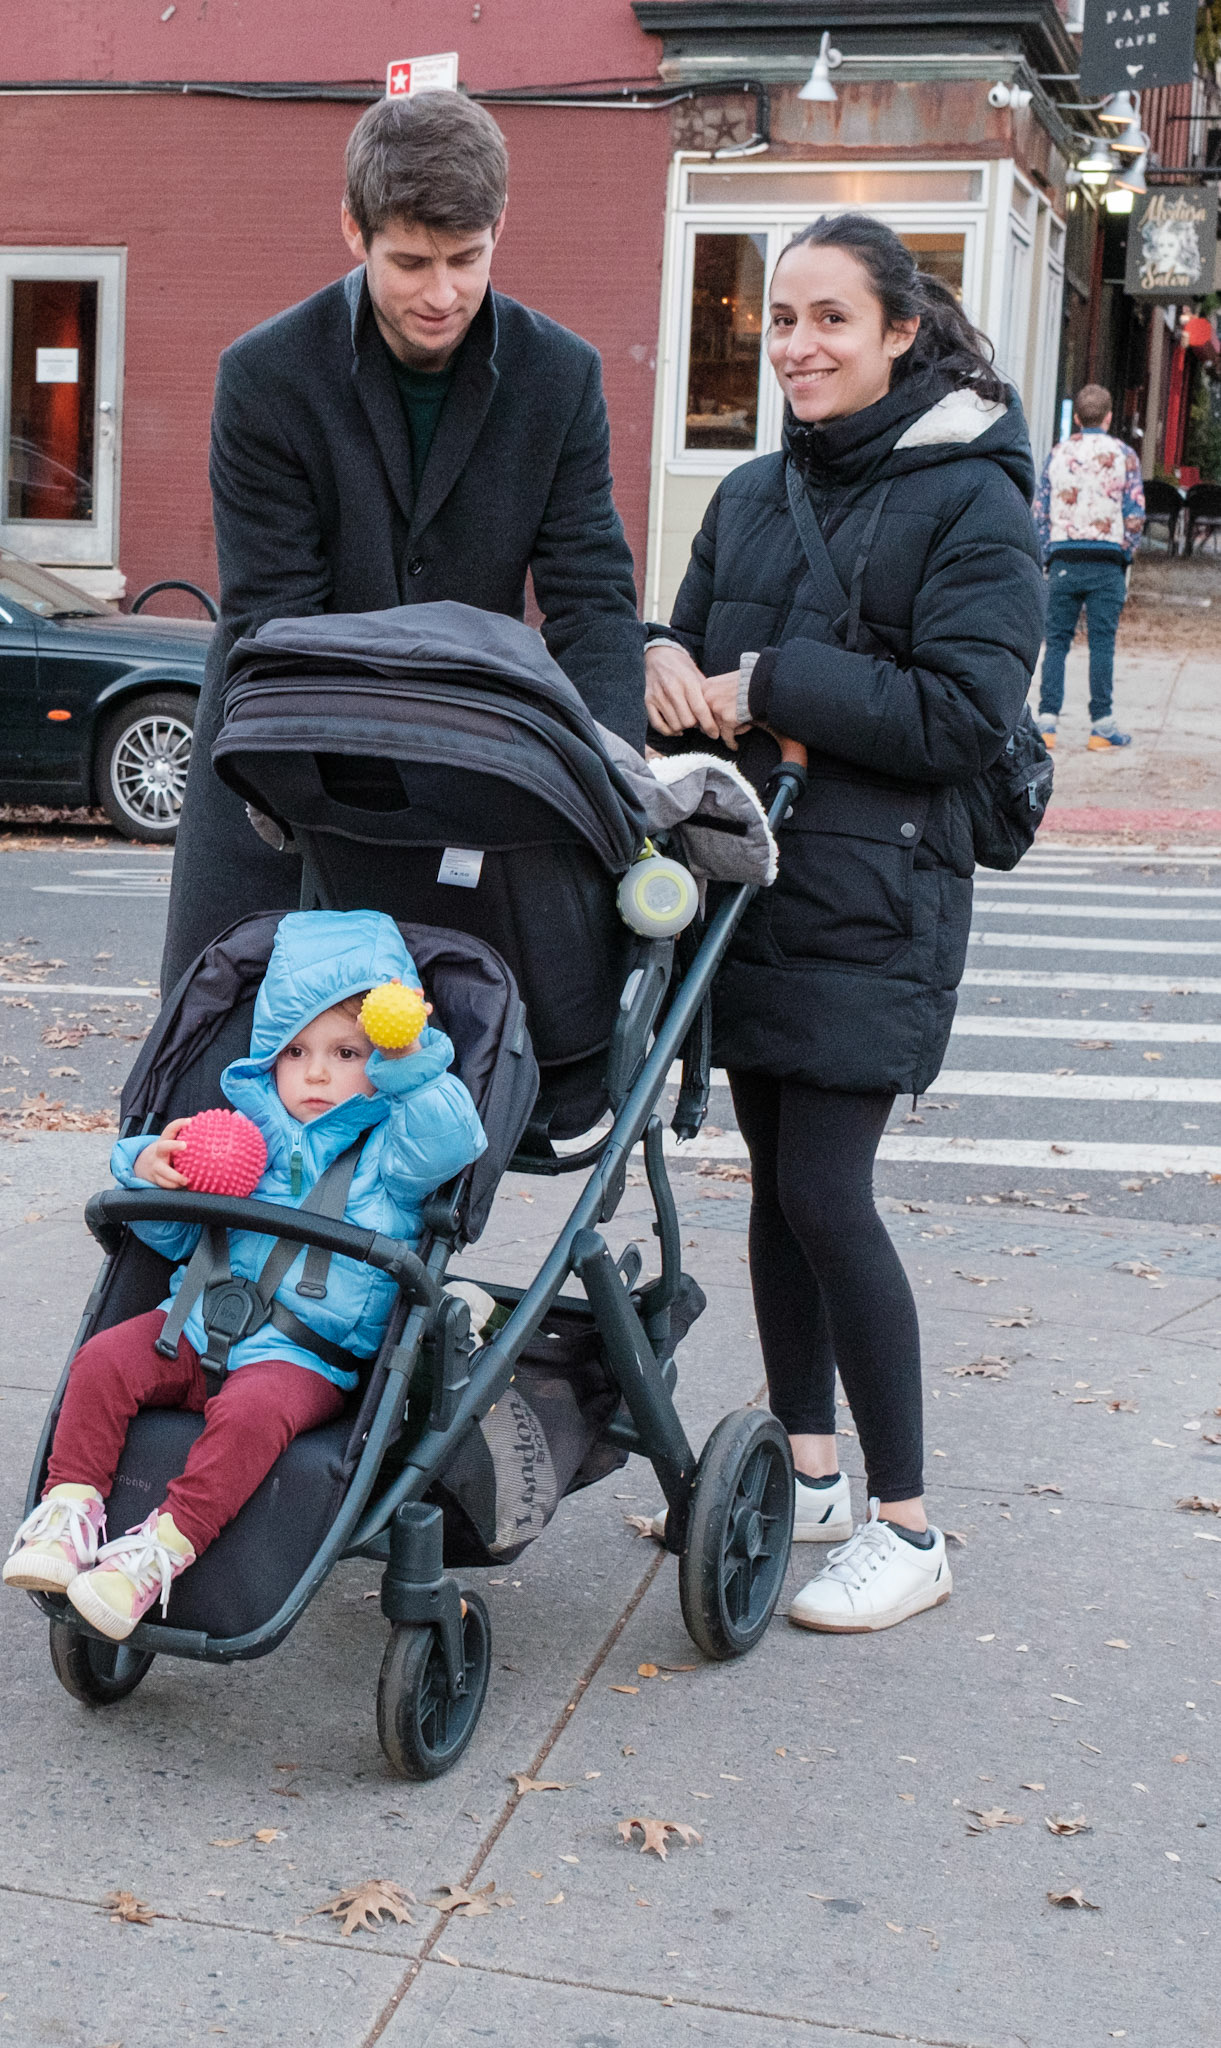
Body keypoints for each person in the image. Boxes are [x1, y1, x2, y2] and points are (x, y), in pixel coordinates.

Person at [644, 213, 1044, 1633]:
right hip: (747, 884)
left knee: (826, 1192)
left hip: (880, 896)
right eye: (782, 323)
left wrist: (765, 688)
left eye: (829, 320)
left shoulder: (976, 498)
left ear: (898, 335)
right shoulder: (752, 494)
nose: (798, 347)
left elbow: (961, 715)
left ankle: (907, 1524)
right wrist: (663, 664)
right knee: (774, 1192)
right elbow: (677, 632)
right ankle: (808, 1472)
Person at [162, 89, 647, 990]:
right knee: (241, 1068)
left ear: (501, 226)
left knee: (467, 1067)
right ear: (354, 230)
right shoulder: (267, 376)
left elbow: (592, 598)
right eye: (411, 262)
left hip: (465, 777)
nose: (443, 293)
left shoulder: (560, 377)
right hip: (282, 767)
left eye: (468, 259)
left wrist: (612, 782)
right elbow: (276, 621)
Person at [2, 909, 485, 1640]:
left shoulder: (393, 1149)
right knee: (102, 1360)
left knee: (249, 1415)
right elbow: (174, 1241)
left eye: (347, 1051)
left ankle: (161, 1549)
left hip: (303, 1355)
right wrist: (149, 1172)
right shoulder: (240, 1133)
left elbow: (453, 1140)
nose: (317, 1071)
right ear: (269, 1059)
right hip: (194, 1325)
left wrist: (409, 1056)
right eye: (295, 1052)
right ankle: (70, 1510)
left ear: (380, 1058)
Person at [1032, 382, 1144, 751]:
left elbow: (1040, 511)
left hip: (1064, 557)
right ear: (1109, 418)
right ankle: (1101, 725)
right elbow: (1134, 514)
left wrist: (1047, 553)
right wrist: (1124, 552)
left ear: (1077, 418)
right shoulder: (1125, 455)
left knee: (1057, 642)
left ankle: (1046, 723)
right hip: (1107, 560)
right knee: (1102, 644)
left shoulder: (1058, 454)